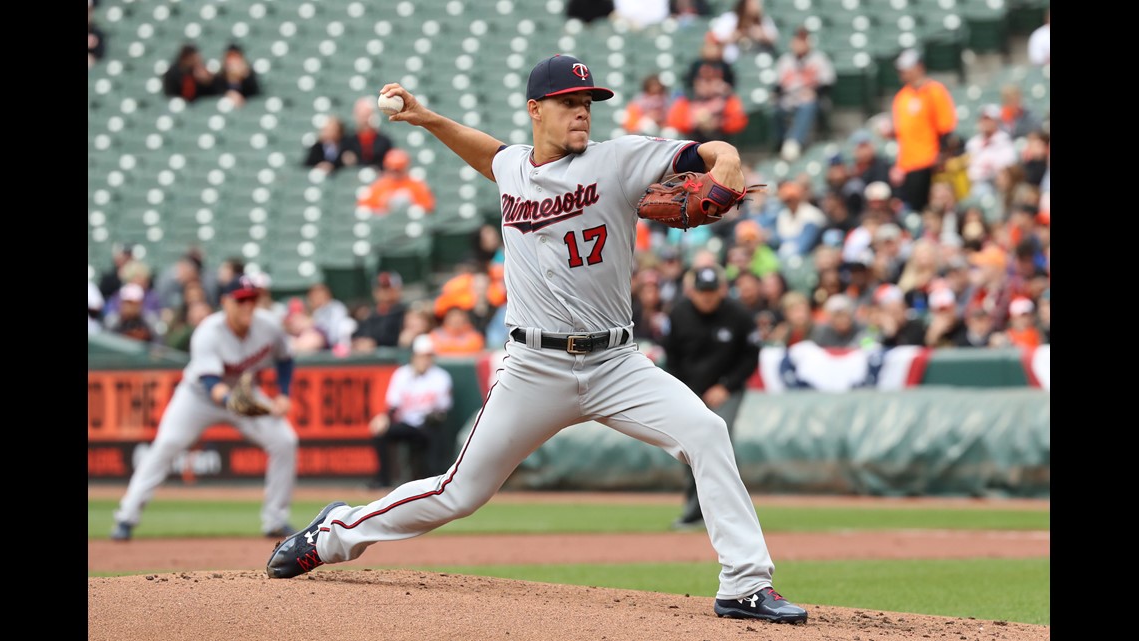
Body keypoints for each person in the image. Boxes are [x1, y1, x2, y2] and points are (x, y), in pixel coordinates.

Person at [266, 53, 808, 624]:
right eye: (569, 104)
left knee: (706, 431)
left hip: (616, 364)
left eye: (587, 104)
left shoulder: (617, 159)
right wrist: (429, 120)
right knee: (459, 493)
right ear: (536, 111)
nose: (582, 114)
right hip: (533, 369)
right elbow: (489, 155)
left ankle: (744, 584)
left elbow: (702, 152)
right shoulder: (513, 169)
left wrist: (727, 159)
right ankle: (333, 534)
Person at [111, 276, 299, 541]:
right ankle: (126, 518)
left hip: (245, 393)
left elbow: (285, 359)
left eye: (252, 299)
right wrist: (232, 403)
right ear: (225, 302)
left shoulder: (268, 325)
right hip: (198, 397)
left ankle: (275, 520)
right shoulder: (208, 331)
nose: (248, 306)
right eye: (240, 300)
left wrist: (283, 394)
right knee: (166, 445)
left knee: (285, 441)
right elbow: (212, 383)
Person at [663, 265, 759, 530]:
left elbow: (751, 357)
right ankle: (698, 509)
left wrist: (726, 385)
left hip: (726, 391)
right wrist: (682, 390)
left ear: (722, 290)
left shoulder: (738, 315)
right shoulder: (680, 313)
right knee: (687, 446)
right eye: (702, 291)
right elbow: (671, 358)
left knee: (717, 441)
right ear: (693, 291)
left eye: (712, 291)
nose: (707, 297)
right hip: (689, 391)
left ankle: (719, 513)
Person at [367, 334, 454, 489]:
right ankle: (383, 480)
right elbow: (393, 405)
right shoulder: (402, 374)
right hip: (407, 424)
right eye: (421, 356)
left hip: (428, 424)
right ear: (413, 356)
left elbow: (443, 409)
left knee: (435, 432)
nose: (424, 360)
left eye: (428, 356)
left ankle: (437, 480)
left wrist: (431, 417)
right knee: (380, 432)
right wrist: (384, 418)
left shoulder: (441, 376)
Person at [887, 49, 957, 214]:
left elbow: (946, 127)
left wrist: (941, 155)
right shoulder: (901, 97)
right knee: (913, 210)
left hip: (930, 163)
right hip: (908, 165)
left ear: (919, 67)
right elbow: (903, 132)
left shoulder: (935, 91)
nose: (903, 73)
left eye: (906, 69)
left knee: (933, 210)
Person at [771, 27, 835, 162]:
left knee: (807, 105)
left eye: (803, 40)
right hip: (789, 99)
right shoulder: (785, 60)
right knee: (776, 109)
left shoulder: (819, 59)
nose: (800, 44)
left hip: (812, 99)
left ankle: (794, 143)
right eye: (797, 40)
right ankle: (781, 142)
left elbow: (828, 83)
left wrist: (814, 92)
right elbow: (777, 87)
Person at [356, 148, 437, 215]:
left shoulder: (417, 185)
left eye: (399, 170)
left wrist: (410, 204)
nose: (395, 173)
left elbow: (429, 208)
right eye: (393, 170)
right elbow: (364, 207)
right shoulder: (379, 185)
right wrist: (383, 205)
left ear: (406, 168)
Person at [964, 104, 1019, 200]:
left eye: (989, 120)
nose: (986, 123)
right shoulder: (973, 142)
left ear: (997, 121)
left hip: (997, 184)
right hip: (975, 183)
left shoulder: (1004, 140)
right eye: (984, 119)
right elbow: (970, 167)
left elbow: (1008, 166)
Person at [351, 271, 407, 352]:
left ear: (398, 289)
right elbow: (357, 335)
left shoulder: (405, 313)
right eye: (380, 288)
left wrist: (374, 342)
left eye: (388, 288)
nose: (384, 292)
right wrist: (359, 342)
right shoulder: (368, 314)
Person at [709, 0, 779, 64]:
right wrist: (736, 35)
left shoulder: (763, 20)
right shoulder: (731, 18)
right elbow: (715, 37)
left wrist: (761, 35)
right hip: (732, 58)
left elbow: (774, 38)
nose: (756, 6)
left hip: (758, 57)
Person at [343, 96, 396, 170]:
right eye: (361, 116)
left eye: (367, 115)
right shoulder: (347, 140)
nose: (365, 120)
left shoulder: (384, 141)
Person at [211, 43, 261, 108]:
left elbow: (255, 96)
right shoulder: (217, 80)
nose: (232, 62)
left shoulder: (250, 80)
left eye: (235, 58)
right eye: (230, 58)